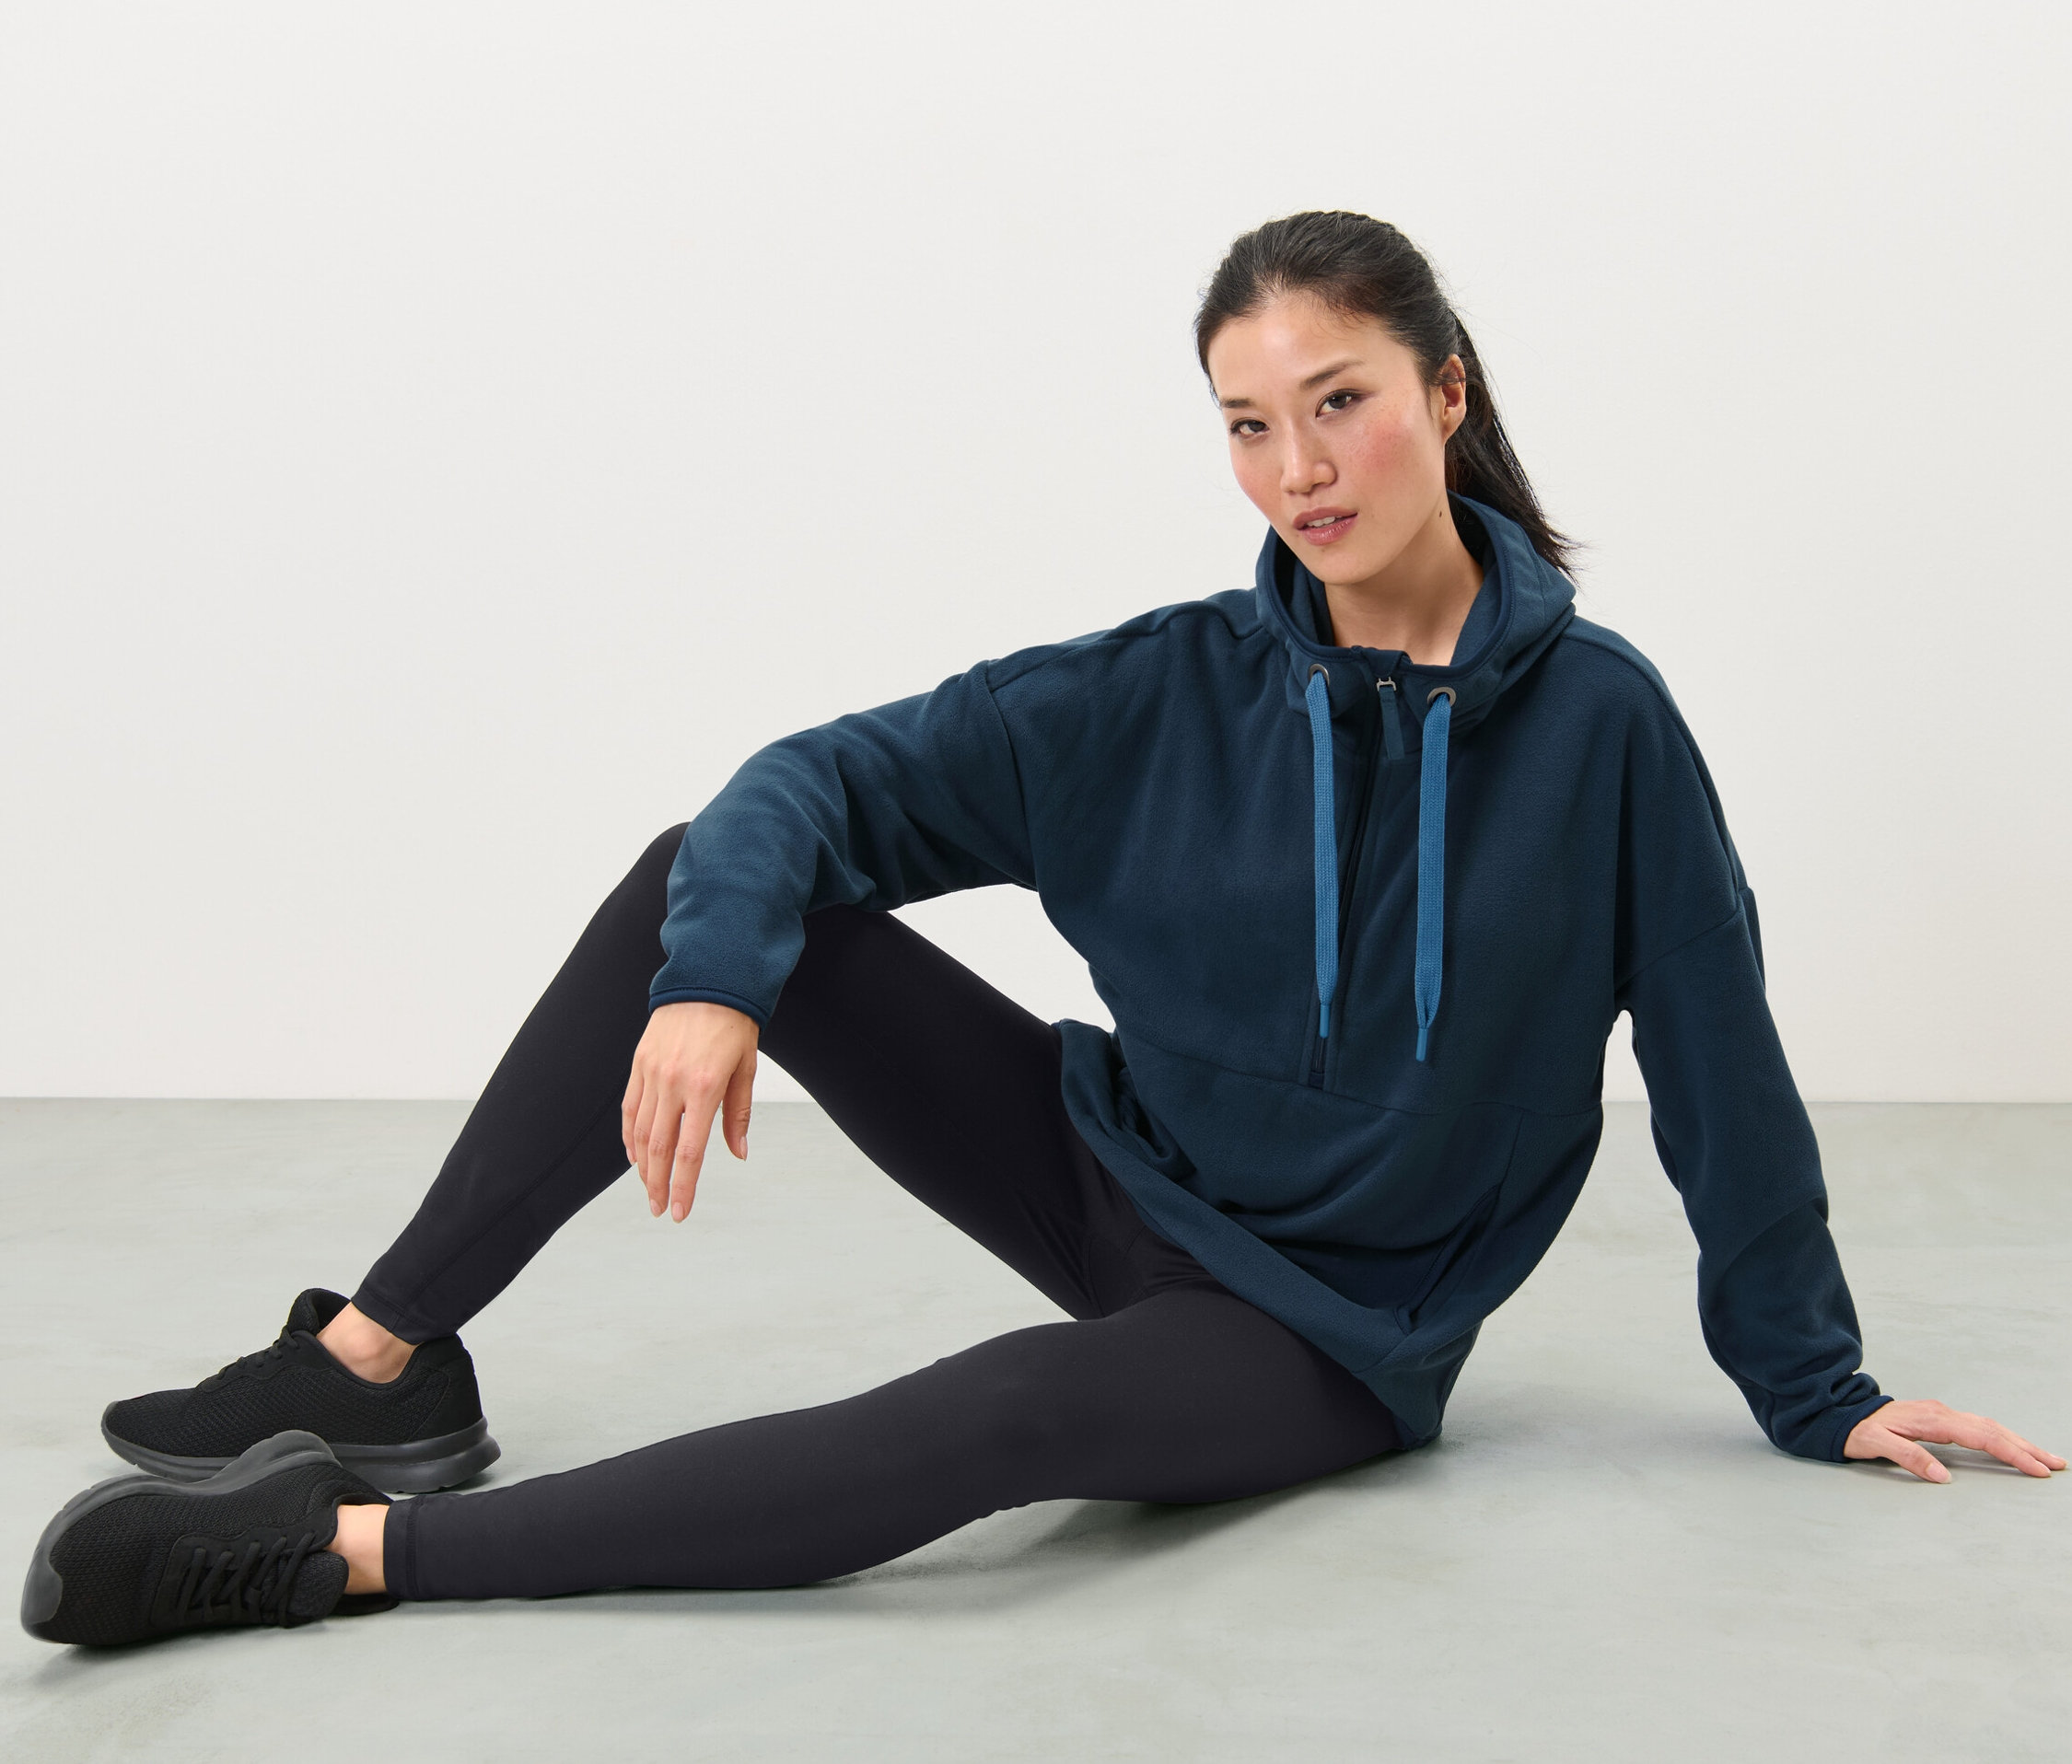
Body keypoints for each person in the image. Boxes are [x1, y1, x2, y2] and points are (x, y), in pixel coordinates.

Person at [23, 210, 2059, 1649]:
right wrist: (719, 982)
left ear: (1445, 392)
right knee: (699, 881)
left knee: (1000, 1418)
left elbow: (1716, 1054)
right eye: (1247, 425)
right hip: (1105, 1177)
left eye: (1338, 402)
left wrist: (1815, 1384)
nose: (1297, 470)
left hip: (1319, 1338)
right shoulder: (1164, 691)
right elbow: (801, 785)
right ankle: (378, 1365)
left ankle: (334, 1554)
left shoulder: (1602, 729)